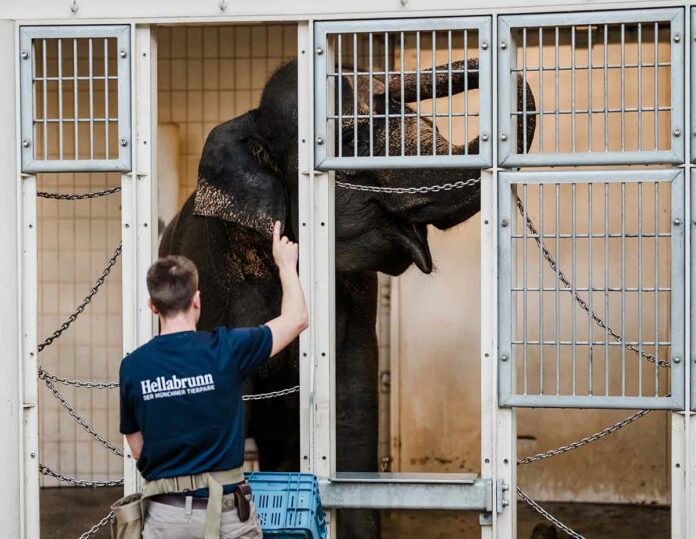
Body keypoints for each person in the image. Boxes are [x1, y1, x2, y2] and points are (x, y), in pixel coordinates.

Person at [118, 221, 308, 539]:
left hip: (166, 516)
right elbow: (296, 319)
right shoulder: (227, 349)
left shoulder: (133, 367)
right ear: (197, 300)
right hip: (227, 516)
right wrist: (286, 265)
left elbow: (137, 447)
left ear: (153, 306)